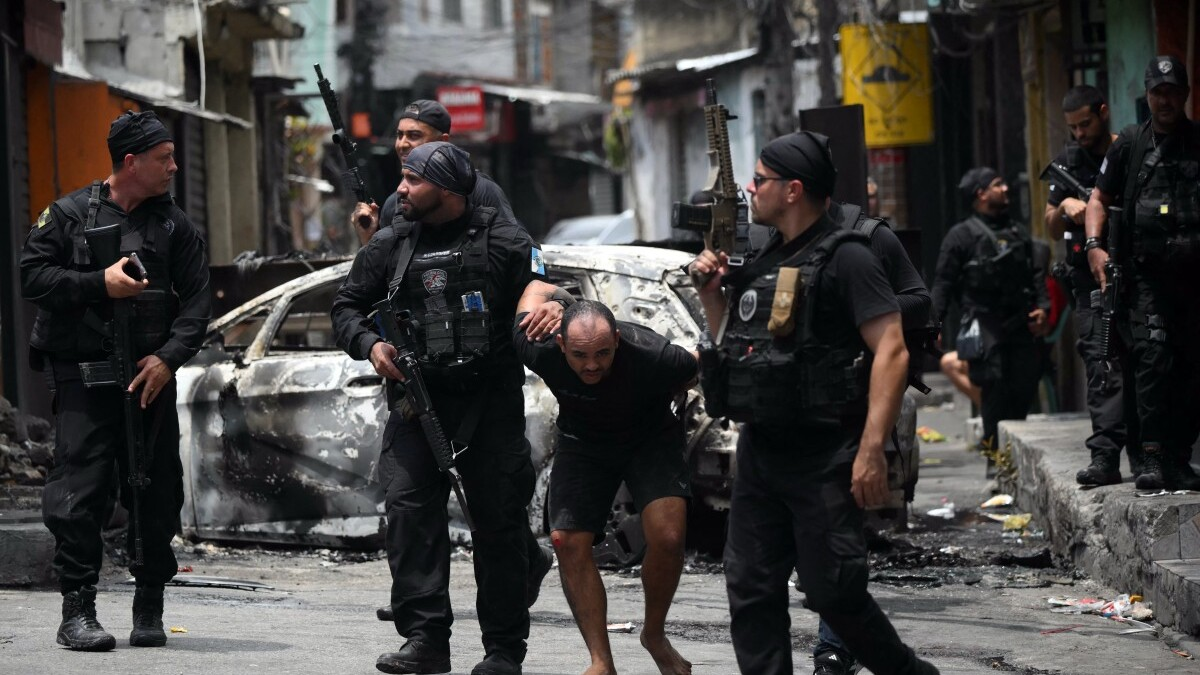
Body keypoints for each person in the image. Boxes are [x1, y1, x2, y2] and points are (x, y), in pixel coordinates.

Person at [689, 131, 939, 675]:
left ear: (794, 189)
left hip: (825, 452)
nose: (751, 190)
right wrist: (713, 298)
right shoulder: (764, 257)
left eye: (760, 180)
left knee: (834, 591)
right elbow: (740, 349)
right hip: (761, 451)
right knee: (751, 590)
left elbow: (892, 351)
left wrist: (871, 449)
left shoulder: (849, 257)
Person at [332, 141, 547, 675]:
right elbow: (346, 305)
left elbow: (542, 290)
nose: (400, 189)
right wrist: (371, 345)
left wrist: (546, 308)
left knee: (497, 524)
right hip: (416, 405)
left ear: (447, 190)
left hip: (488, 406)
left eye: (412, 179)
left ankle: (502, 650)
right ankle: (426, 639)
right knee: (407, 514)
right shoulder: (391, 242)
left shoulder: (504, 239)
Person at [20, 110, 211, 651]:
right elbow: (31, 275)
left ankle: (149, 603)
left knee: (158, 492)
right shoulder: (67, 215)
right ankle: (76, 611)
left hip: (149, 377)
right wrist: (97, 283)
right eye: (163, 158)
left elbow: (197, 303)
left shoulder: (175, 227)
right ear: (131, 162)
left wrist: (168, 358)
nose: (174, 167)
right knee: (79, 492)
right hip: (84, 378)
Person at [513, 295, 696, 675]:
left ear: (617, 339)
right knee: (566, 541)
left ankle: (655, 635)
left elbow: (698, 364)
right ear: (561, 344)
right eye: (580, 356)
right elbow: (532, 284)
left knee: (668, 536)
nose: (592, 365)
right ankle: (601, 661)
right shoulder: (539, 345)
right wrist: (555, 299)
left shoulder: (655, 355)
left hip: (651, 439)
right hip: (584, 441)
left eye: (603, 353)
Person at [811, 199, 931, 675]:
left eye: (764, 182)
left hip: (850, 403)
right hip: (786, 412)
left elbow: (920, 300)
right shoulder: (770, 243)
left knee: (836, 528)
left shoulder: (869, 235)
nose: (755, 193)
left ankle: (834, 647)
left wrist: (859, 306)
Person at [1085, 55, 1200, 490]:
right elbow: (1098, 199)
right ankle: (1149, 458)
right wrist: (1095, 248)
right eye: (1157, 92)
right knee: (1152, 359)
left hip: (1194, 281)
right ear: (1147, 95)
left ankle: (1178, 458)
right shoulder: (1130, 144)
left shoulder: (1197, 141)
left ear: (1184, 94)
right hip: (1147, 277)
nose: (1165, 100)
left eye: (1172, 92)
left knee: (1192, 368)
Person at [1044, 85, 1141, 486]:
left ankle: (1148, 455)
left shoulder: (1128, 152)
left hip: (1137, 276)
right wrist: (1065, 208)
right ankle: (1104, 456)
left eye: (1085, 123)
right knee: (1102, 365)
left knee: (1145, 366)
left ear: (1103, 112)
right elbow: (1049, 225)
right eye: (1073, 127)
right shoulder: (1068, 163)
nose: (1080, 134)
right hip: (1091, 282)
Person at [931, 168, 1049, 455]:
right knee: (994, 391)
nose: (1006, 188)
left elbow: (1036, 275)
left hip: (1018, 324)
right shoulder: (961, 236)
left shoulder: (1016, 231)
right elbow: (943, 283)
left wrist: (1043, 309)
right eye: (998, 185)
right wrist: (933, 324)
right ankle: (994, 460)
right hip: (983, 325)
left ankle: (1013, 458)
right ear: (980, 194)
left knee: (1023, 386)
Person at [350, 99, 516, 246]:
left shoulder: (481, 191)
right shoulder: (395, 204)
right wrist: (370, 241)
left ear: (442, 141)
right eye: (399, 135)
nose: (402, 144)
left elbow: (516, 251)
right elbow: (383, 271)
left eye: (414, 135)